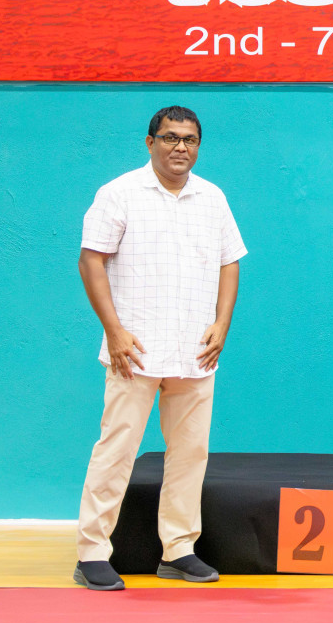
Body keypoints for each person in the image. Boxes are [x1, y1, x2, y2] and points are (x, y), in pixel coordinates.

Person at [72, 106, 247, 591]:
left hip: (195, 350)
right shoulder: (119, 194)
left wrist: (221, 324)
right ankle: (91, 552)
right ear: (148, 142)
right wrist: (114, 330)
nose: (180, 148)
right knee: (116, 450)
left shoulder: (212, 198)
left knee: (190, 455)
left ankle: (178, 549)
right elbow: (91, 262)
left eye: (189, 140)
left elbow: (229, 263)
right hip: (136, 349)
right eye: (170, 138)